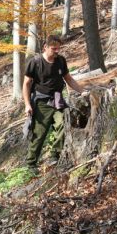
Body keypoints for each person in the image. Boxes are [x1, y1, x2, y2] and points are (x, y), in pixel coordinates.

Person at [23, 35, 86, 170]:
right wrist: (27, 104)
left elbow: (68, 79)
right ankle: (31, 164)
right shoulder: (35, 62)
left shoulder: (61, 61)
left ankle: (54, 156)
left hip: (57, 99)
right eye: (53, 49)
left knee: (64, 123)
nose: (57, 51)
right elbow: (26, 84)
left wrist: (82, 91)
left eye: (58, 48)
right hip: (40, 101)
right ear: (45, 47)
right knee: (39, 134)